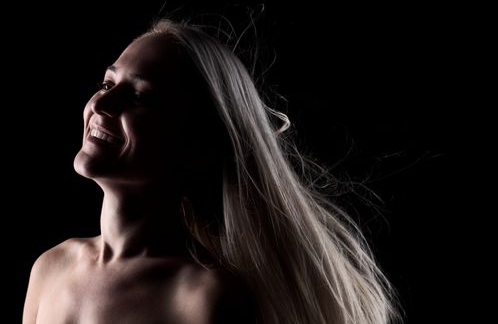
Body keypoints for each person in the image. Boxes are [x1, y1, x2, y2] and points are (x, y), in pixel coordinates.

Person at [23, 18, 399, 324]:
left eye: (138, 96)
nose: (102, 102)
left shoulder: (205, 300)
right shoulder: (50, 268)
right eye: (108, 82)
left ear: (197, 148)